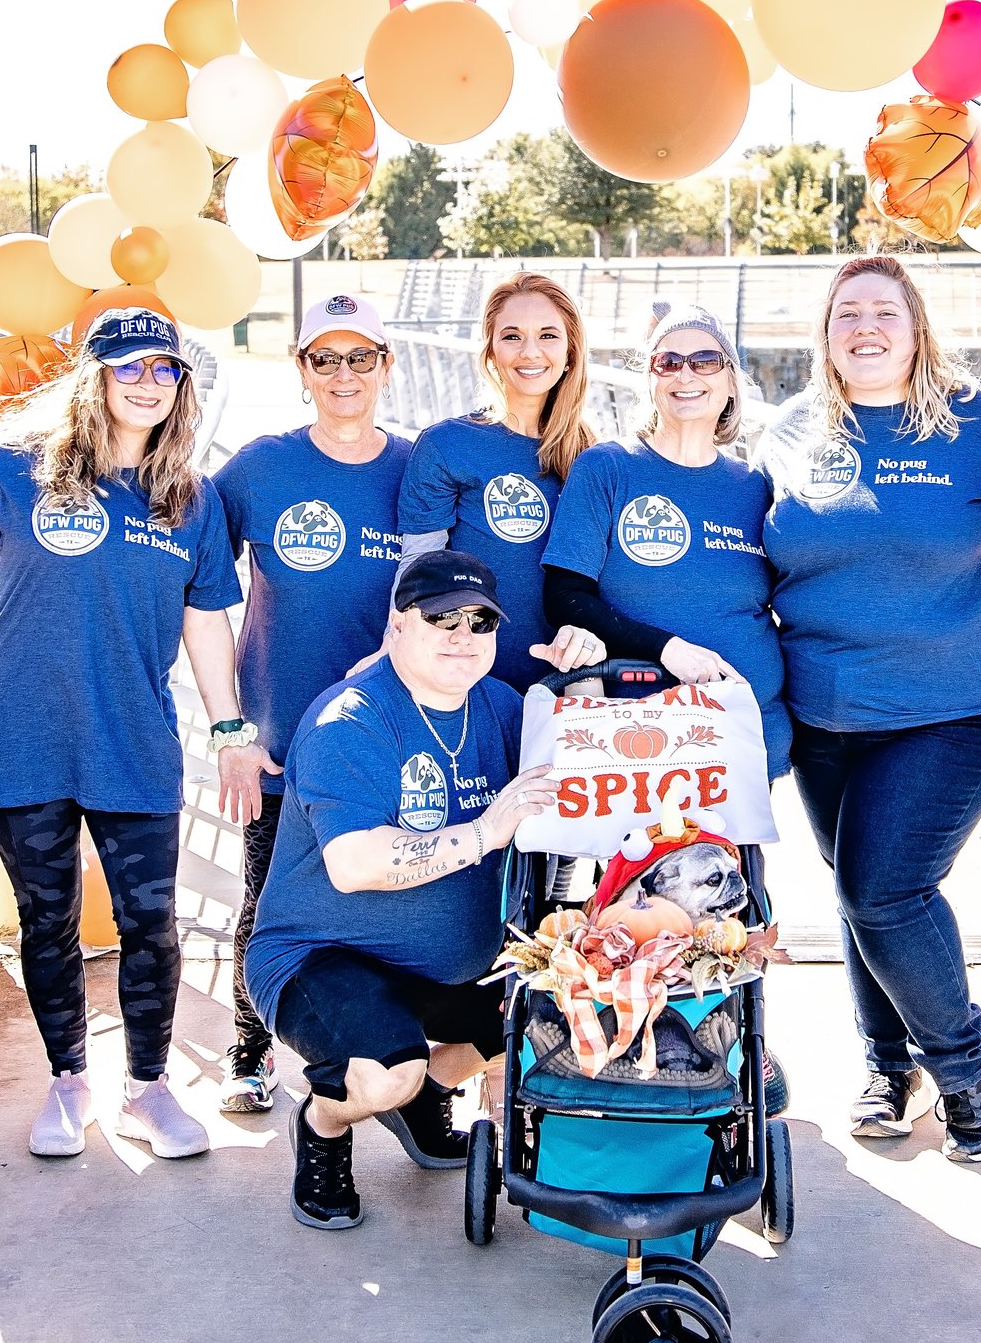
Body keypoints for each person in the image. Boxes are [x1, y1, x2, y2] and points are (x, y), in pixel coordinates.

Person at [0, 305, 258, 1162]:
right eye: (129, 367)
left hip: (132, 734)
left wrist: (229, 728)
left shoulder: (189, 497)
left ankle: (147, 1091)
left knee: (152, 923)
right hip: (17, 729)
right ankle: (68, 1082)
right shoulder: (13, 471)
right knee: (50, 921)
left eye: (164, 369)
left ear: (181, 386)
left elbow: (208, 624)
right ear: (95, 378)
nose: (148, 383)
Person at [757, 255, 981, 1162]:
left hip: (952, 707)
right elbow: (739, 566)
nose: (865, 328)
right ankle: (887, 1064)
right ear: (825, 334)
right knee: (856, 893)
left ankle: (960, 1066)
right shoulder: (788, 434)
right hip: (826, 712)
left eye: (884, 311)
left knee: (886, 890)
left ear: (917, 327)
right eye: (846, 314)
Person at [243, 551, 603, 1230]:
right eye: (441, 618)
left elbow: (580, 778)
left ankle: (425, 1092)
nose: (462, 636)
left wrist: (580, 676)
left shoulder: (502, 705)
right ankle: (324, 1123)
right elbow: (353, 863)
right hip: (324, 957)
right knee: (381, 1069)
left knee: (561, 1024)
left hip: (450, 966)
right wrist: (485, 832)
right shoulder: (350, 718)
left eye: (479, 622)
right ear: (399, 625)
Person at [207, 292, 408, 1115]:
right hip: (279, 737)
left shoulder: (418, 471)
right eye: (325, 358)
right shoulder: (259, 468)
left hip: (392, 738)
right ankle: (248, 1053)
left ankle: (401, 1061)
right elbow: (191, 586)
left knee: (400, 897)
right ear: (302, 371)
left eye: (361, 357)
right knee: (269, 899)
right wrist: (229, 728)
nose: (344, 374)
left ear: (386, 367)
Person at [542, 303, 790, 778]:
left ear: (731, 380)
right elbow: (565, 598)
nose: (685, 374)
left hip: (748, 737)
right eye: (668, 362)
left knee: (735, 858)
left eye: (705, 360)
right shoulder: (609, 468)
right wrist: (669, 648)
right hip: (637, 738)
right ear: (651, 379)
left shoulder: (754, 486)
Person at [400, 272, 595, 692]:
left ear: (570, 350)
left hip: (572, 683)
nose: (530, 352)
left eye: (547, 335)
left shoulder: (593, 456)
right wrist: (394, 651)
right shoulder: (448, 444)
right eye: (511, 336)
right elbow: (418, 569)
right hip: (467, 683)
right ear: (490, 350)